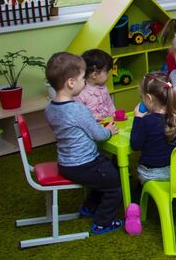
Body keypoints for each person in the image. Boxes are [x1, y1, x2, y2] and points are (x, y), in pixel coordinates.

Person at [44, 52, 123, 235]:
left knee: (105, 175)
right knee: (115, 183)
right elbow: (98, 135)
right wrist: (109, 131)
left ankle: (89, 207)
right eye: (82, 79)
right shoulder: (78, 109)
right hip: (84, 164)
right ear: (71, 83)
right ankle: (102, 223)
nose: (84, 82)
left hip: (65, 163)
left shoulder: (49, 108)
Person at [125, 72, 176, 235]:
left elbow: (135, 145)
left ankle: (133, 210)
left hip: (150, 174)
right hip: (175, 172)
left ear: (149, 99)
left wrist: (138, 118)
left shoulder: (145, 122)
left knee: (138, 185)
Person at [74, 49, 115, 122]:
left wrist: (114, 115)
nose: (108, 74)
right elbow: (80, 117)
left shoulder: (103, 87)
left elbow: (109, 104)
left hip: (108, 123)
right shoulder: (80, 94)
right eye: (106, 72)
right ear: (94, 75)